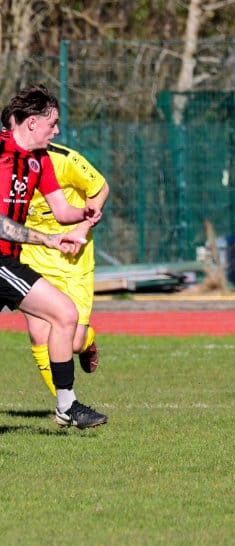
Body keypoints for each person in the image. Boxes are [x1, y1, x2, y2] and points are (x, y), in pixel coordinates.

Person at [0, 84, 107, 428]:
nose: (57, 130)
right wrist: (48, 240)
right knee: (62, 314)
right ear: (32, 122)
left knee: (64, 314)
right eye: (53, 123)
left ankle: (66, 406)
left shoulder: (40, 160)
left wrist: (84, 214)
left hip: (8, 261)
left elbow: (61, 211)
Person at [19, 132, 110, 394]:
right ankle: (65, 405)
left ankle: (87, 341)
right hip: (32, 256)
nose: (56, 130)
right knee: (39, 334)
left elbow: (100, 188)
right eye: (52, 123)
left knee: (73, 342)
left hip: (73, 260)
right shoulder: (8, 161)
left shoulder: (65, 159)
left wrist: (82, 228)